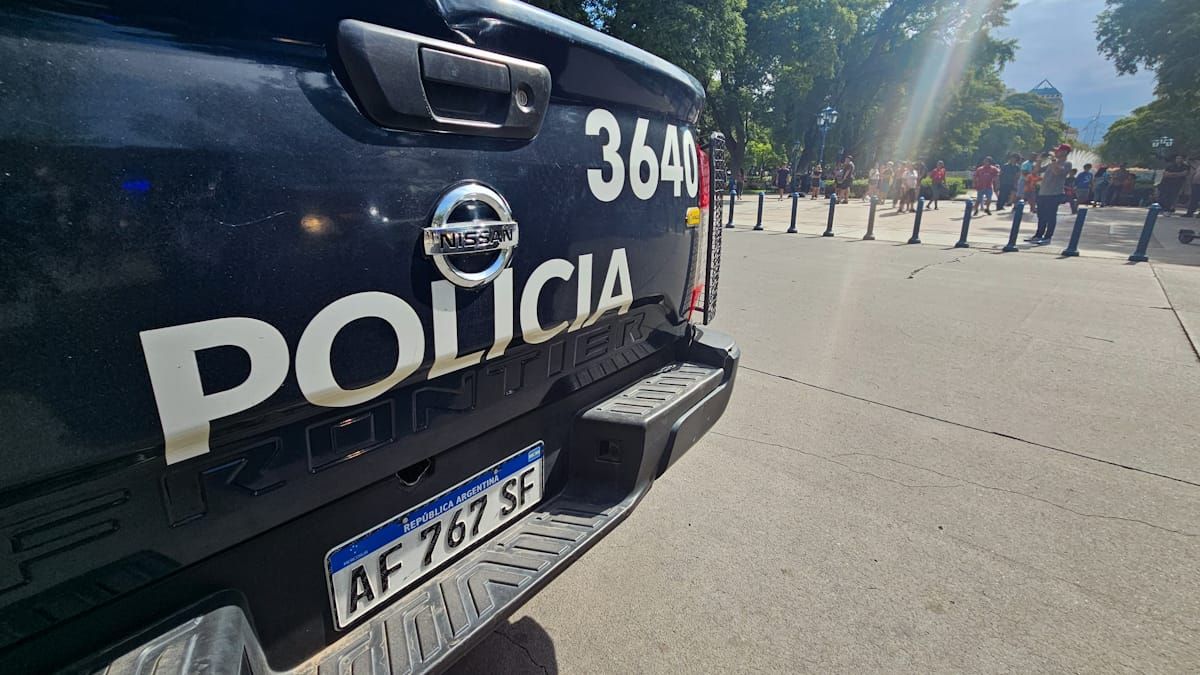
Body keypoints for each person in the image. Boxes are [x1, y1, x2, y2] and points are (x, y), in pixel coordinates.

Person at [1029, 143, 1072, 244]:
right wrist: (1039, 160)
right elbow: (1036, 171)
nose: (1056, 152)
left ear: (1065, 152)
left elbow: (1057, 172)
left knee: (1050, 216)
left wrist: (1053, 160)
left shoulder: (1067, 163)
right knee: (1041, 215)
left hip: (1055, 193)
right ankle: (1038, 235)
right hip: (1043, 192)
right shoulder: (1052, 163)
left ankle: (1048, 237)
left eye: (1059, 150)